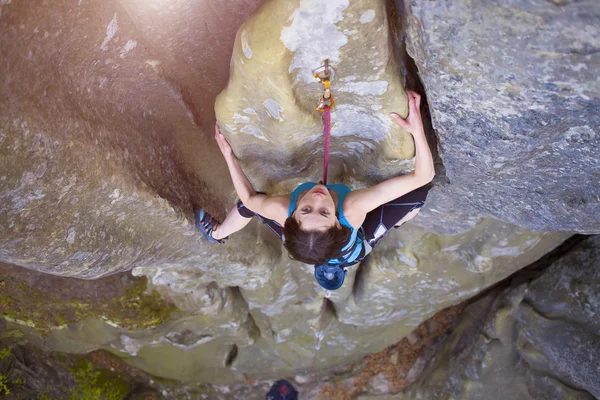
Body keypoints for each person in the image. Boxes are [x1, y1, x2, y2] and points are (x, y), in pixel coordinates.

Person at [196, 90, 434, 290]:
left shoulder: (282, 211)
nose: (318, 199)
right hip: (353, 250)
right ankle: (344, 256)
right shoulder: (352, 210)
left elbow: (248, 198)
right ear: (338, 223)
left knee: (253, 205)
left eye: (306, 208)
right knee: (417, 196)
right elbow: (423, 177)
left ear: (291, 218)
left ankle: (216, 233)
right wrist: (417, 131)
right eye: (324, 213)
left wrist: (229, 156)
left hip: (307, 239)